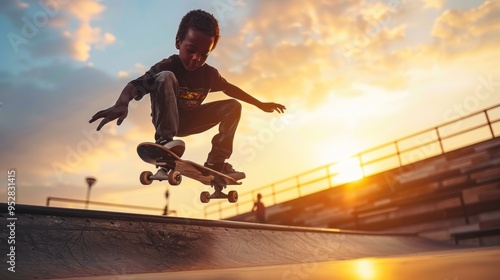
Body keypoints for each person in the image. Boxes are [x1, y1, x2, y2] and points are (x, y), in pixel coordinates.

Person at [89, 9, 285, 180]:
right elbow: (137, 84)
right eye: (191, 50)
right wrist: (123, 102)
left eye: (204, 54)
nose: (195, 59)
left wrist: (260, 104)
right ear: (178, 42)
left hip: (192, 121)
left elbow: (230, 88)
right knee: (166, 77)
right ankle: (165, 142)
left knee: (233, 106)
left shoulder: (208, 74)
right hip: (165, 119)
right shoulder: (167, 65)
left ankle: (216, 162)